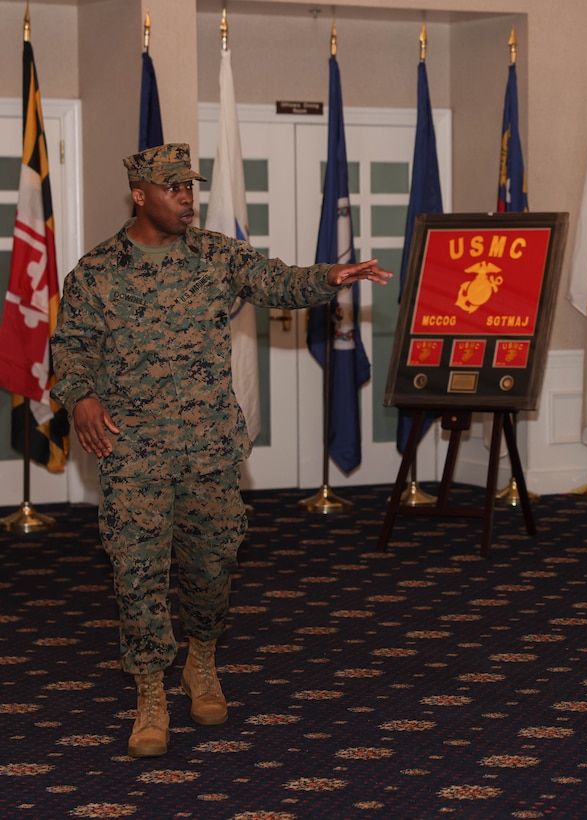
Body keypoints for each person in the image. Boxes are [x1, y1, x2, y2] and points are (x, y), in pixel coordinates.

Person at [50, 143, 392, 758]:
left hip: (209, 446)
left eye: (191, 187)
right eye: (174, 187)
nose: (187, 197)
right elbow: (69, 351)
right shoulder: (96, 273)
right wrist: (80, 399)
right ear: (140, 194)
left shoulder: (215, 254)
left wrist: (327, 278)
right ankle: (151, 692)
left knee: (211, 570)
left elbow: (275, 281)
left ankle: (200, 661)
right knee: (137, 573)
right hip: (134, 454)